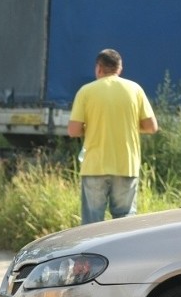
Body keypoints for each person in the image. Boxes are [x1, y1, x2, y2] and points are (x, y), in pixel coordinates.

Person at [68, 48, 158, 224]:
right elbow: (151, 127)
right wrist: (129, 126)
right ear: (119, 68)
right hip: (126, 165)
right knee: (124, 223)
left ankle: (93, 252)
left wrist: (90, 128)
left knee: (91, 226)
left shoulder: (86, 91)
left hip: (95, 166)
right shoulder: (135, 89)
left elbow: (73, 130)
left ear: (99, 68)